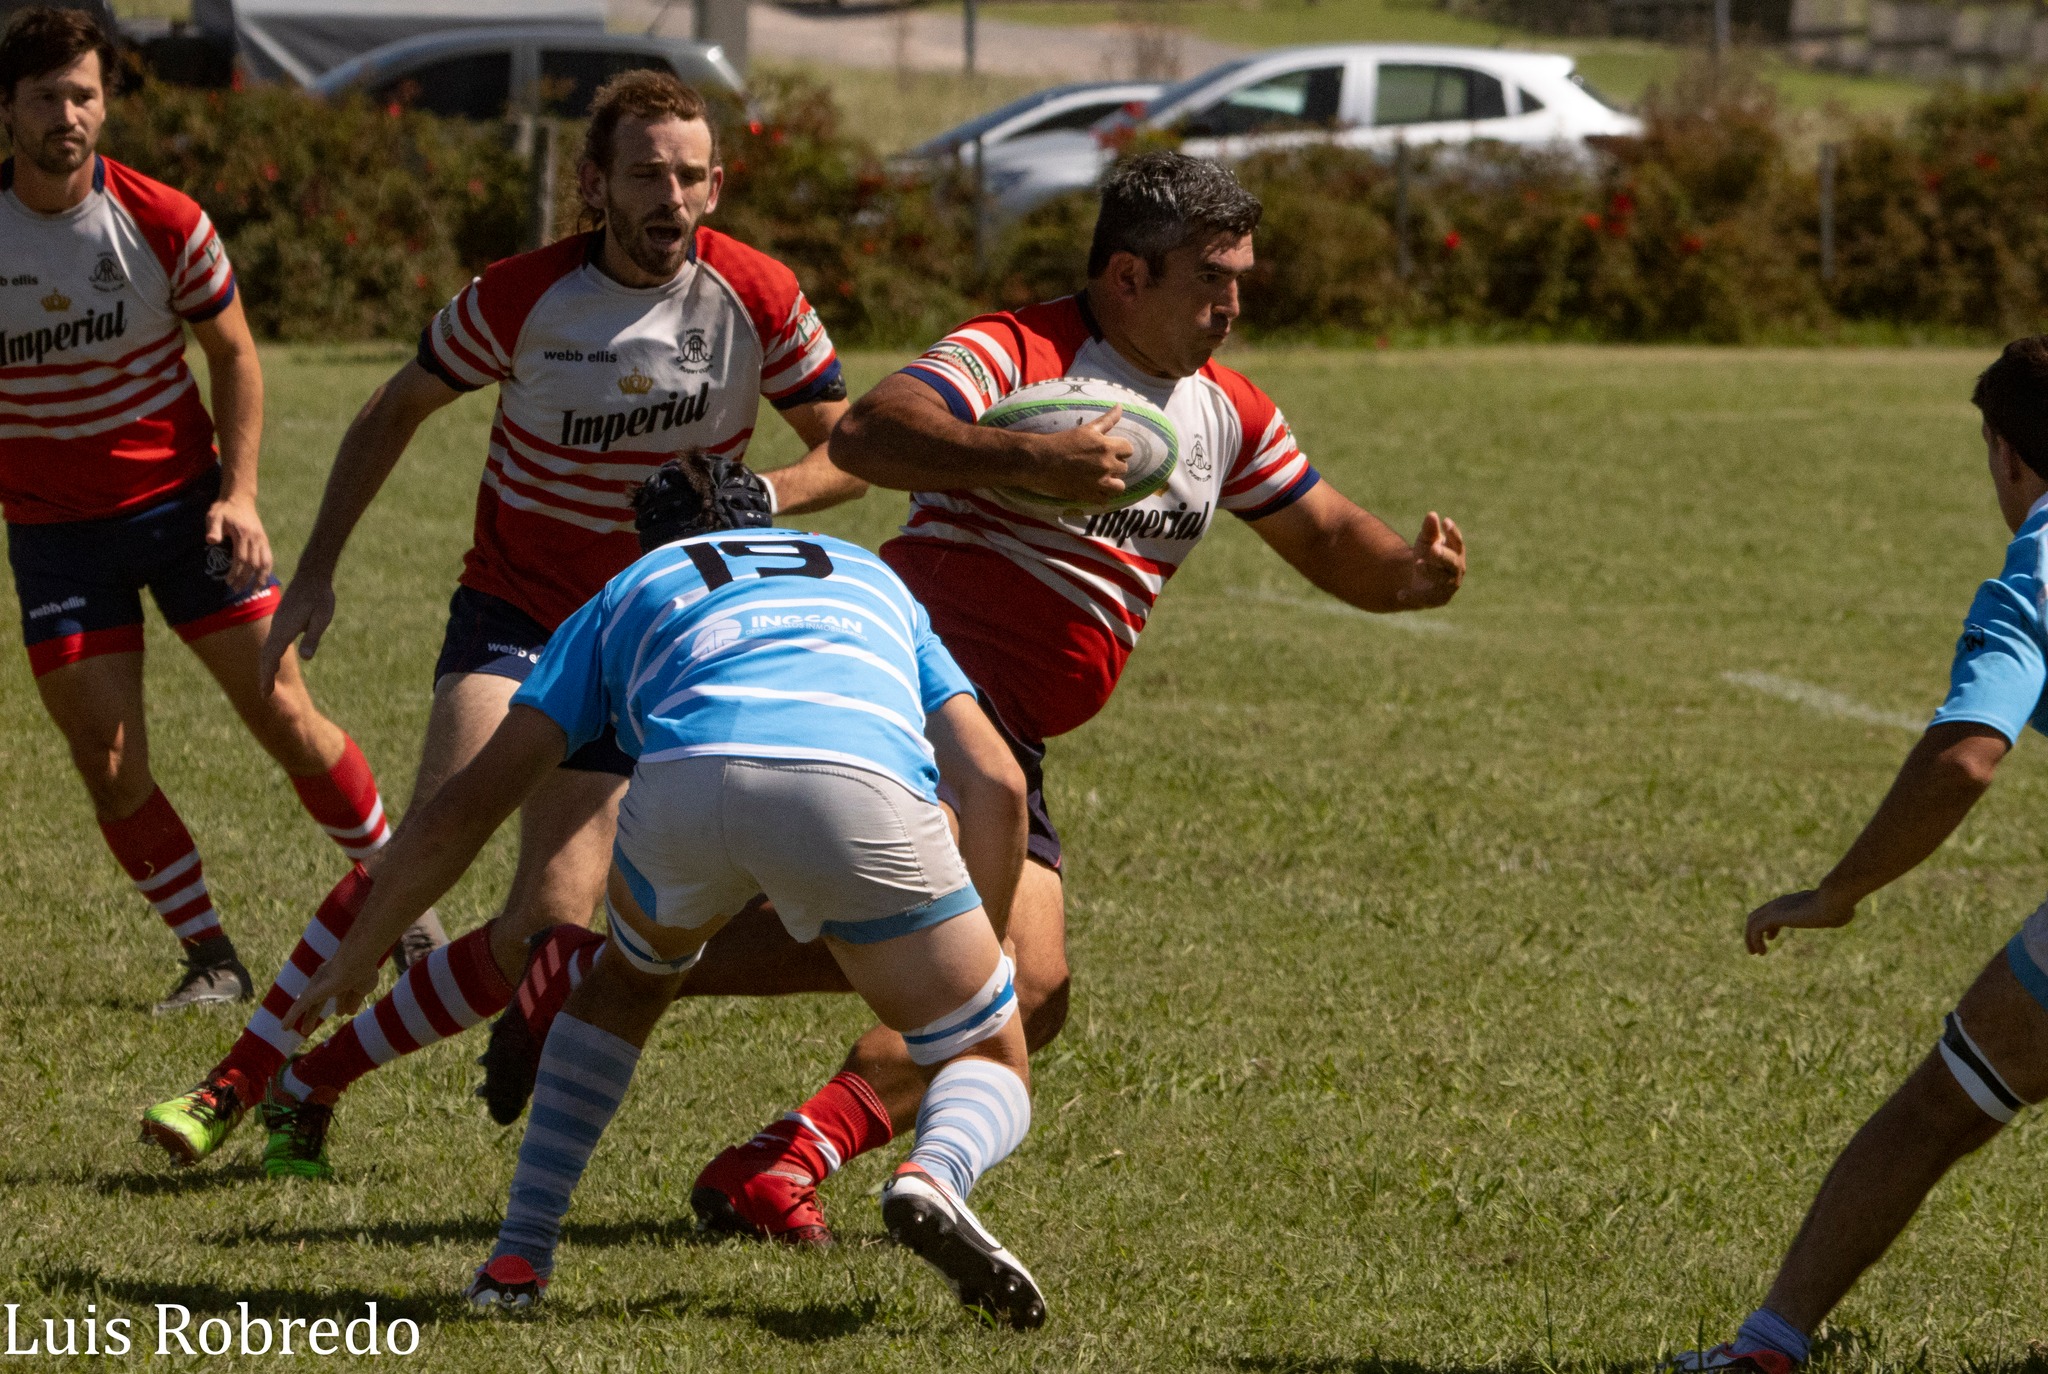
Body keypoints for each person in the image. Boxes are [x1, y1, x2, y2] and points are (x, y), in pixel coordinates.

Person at [492, 150, 1468, 1247]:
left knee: (1020, 987)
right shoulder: (1016, 350)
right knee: (982, 970)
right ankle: (683, 1051)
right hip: (916, 693)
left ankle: (756, 1141)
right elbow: (868, 434)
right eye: (1211, 278)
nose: (1231, 305)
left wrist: (1405, 576)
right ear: (1125, 278)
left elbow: (1326, 532)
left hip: (1006, 731)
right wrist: (1025, 458)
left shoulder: (1224, 412)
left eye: (1239, 277)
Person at [137, 67, 861, 1177]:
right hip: (519, 610)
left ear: (715, 184)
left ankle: (314, 1082)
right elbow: (392, 409)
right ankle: (239, 1073)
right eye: (643, 174)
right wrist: (320, 568)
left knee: (541, 929)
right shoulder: (523, 296)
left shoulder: (755, 296)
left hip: (651, 639)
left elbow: (847, 449)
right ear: (595, 185)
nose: (668, 196)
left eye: (688, 174)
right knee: (439, 823)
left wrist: (759, 491)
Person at [282, 454, 1048, 1329]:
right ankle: (932, 1176)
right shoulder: (869, 575)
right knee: (987, 1051)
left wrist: (360, 947)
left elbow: (470, 804)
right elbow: (997, 784)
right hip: (857, 792)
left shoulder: (628, 588)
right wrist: (981, 944)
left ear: (649, 540)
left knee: (625, 986)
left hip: (685, 787)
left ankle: (517, 1262)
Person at [0, 7, 402, 1013]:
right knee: (108, 761)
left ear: (106, 104)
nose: (68, 114)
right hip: (56, 539)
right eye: (47, 96)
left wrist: (242, 494)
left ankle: (403, 903)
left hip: (188, 512)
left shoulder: (161, 218)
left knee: (287, 716)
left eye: (84, 94)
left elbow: (232, 353)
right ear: (7, 109)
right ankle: (211, 957)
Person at [1671, 337, 2048, 1374]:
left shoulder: (2039, 563)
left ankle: (1767, 1346)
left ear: (2008, 458)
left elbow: (1965, 757)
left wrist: (1836, 891)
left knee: (1942, 1104)